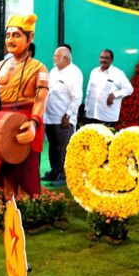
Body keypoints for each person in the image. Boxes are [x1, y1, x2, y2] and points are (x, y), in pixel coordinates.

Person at [0, 13, 49, 197]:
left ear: (30, 38)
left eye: (16, 35)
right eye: (8, 35)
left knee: (26, 175)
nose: (10, 40)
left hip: (25, 124)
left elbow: (40, 99)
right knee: (4, 173)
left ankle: (27, 213)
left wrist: (34, 124)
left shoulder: (39, 68)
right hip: (3, 124)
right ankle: (6, 210)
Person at [43, 45, 83, 186]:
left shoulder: (74, 73)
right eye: (54, 56)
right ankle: (54, 172)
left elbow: (77, 97)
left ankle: (64, 176)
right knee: (53, 147)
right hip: (50, 117)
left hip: (63, 119)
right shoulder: (53, 71)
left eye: (56, 56)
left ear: (66, 58)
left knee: (63, 149)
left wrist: (68, 115)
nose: (53, 58)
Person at [84, 49, 133, 126]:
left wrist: (114, 94)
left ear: (112, 60)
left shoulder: (118, 73)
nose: (103, 60)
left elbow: (129, 89)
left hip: (107, 117)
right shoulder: (94, 72)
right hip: (91, 115)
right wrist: (86, 109)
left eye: (106, 58)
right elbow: (89, 92)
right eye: (101, 57)